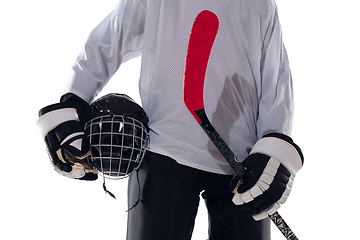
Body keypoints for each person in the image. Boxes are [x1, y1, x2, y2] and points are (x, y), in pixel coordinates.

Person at [37, 0, 304, 239]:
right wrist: (74, 100)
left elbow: (276, 78)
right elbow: (110, 41)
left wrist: (274, 143)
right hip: (164, 151)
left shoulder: (261, 5)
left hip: (241, 164)